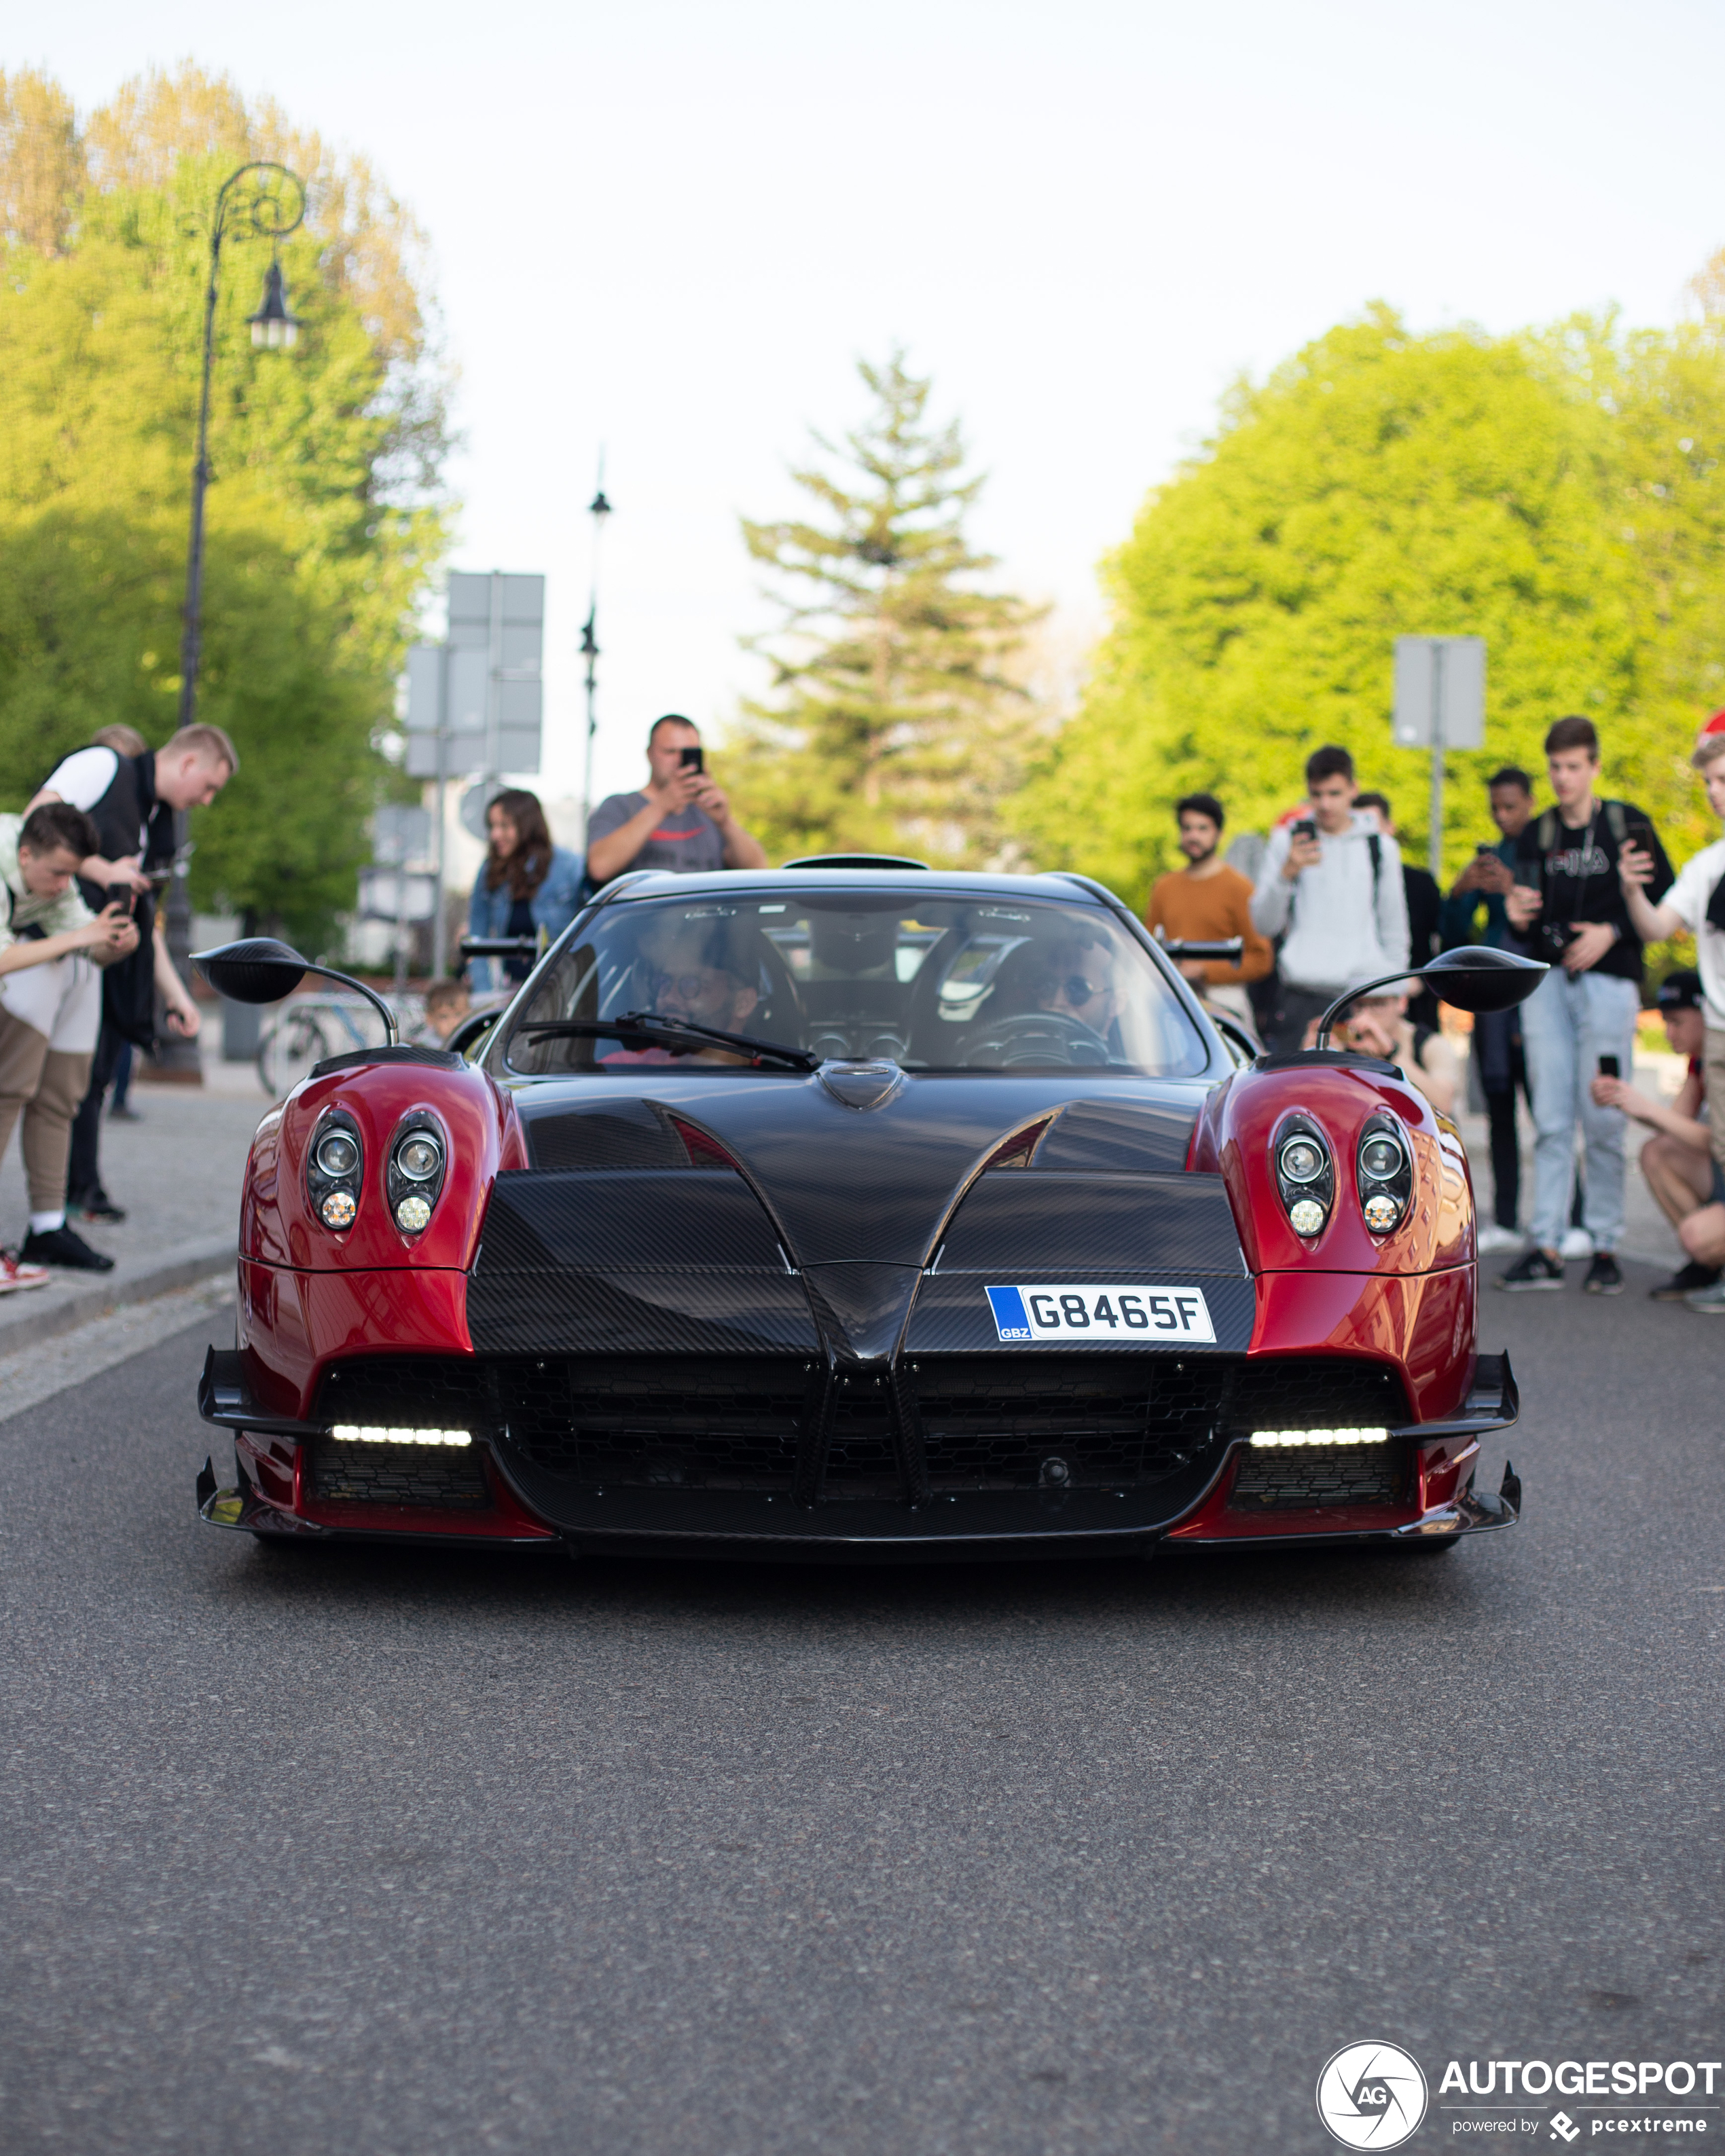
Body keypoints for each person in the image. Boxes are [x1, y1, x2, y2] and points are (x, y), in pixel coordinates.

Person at [28, 723, 236, 1225]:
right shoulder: (104, 765)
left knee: (73, 1091)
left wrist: (176, 996)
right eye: (209, 786)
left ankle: (56, 1216)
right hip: (44, 951)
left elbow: (145, 921)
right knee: (18, 1088)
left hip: (93, 965)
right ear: (188, 763)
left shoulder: (153, 820)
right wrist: (103, 871)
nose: (207, 801)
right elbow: (34, 823)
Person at [1497, 715, 1673, 1296]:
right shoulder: (1539, 833)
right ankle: (1545, 1244)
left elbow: (1664, 909)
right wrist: (1519, 915)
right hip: (1548, 986)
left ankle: (1604, 1245)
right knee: (1549, 1117)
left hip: (1610, 986)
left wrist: (1611, 931)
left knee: (1602, 1115)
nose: (1563, 777)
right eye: (1555, 767)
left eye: (1574, 766)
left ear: (1595, 766)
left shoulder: (1628, 824)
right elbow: (1522, 915)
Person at [1608, 730, 1725, 1308]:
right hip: (1723, 1030)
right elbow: (1656, 927)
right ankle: (1713, 1270)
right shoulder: (1709, 865)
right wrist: (1632, 890)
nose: (1714, 792)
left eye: (1723, 780)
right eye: (1708, 782)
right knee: (1721, 1147)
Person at [0, 803, 141, 1275]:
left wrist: (118, 939)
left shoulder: (51, 878)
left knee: (59, 1093)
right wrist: (80, 937)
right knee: (7, 1088)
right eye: (59, 872)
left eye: (72, 874)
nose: (65, 885)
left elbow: (87, 943)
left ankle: (47, 1226)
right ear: (24, 854)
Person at [1249, 746, 1410, 1054]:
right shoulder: (1288, 840)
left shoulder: (1380, 847)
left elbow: (1394, 929)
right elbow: (1263, 924)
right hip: (1299, 996)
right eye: (1317, 794)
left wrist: (1391, 999)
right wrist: (1287, 872)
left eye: (1334, 793)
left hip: (1361, 1000)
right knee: (1293, 1095)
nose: (1325, 804)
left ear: (1353, 790)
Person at [1439, 767, 1537, 1251]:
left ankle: (1569, 1219)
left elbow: (1546, 917)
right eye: (1495, 807)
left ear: (1531, 802)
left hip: (1536, 1000)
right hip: (1495, 1007)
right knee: (1500, 1112)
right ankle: (1509, 1216)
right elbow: (1455, 938)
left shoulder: (1544, 849)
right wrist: (1461, 890)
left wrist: (1512, 888)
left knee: (1551, 1114)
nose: (1502, 815)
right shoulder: (1490, 860)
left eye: (1511, 806)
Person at [1588, 971, 1725, 1302]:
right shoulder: (1701, 1060)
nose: (1668, 1033)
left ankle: (1712, 1259)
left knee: (1696, 1236)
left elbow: (1718, 1142)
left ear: (1706, 1013)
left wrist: (1646, 1108)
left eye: (1677, 1021)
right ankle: (1708, 1269)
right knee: (1656, 1153)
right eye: (1665, 1022)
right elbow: (1676, 1124)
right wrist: (1625, 1100)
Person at [585, 715, 766, 886]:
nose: (679, 761)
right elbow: (600, 868)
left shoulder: (708, 812)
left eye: (689, 753)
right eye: (670, 752)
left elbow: (760, 874)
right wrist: (661, 806)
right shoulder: (620, 806)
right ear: (650, 754)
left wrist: (725, 822)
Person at [1145, 793, 1272, 1029]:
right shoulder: (1164, 887)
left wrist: (1204, 970)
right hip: (1171, 995)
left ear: (1218, 834)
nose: (1194, 836)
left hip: (1223, 998)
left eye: (1202, 828)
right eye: (1187, 828)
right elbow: (1147, 948)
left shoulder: (1239, 888)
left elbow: (1261, 959)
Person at [466, 789, 587, 993]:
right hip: (512, 993)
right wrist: (483, 993)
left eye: (504, 826)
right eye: (492, 826)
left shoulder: (569, 867)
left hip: (562, 990)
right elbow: (477, 938)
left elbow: (589, 933)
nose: (495, 835)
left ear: (527, 826)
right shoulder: (490, 870)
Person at [1353, 792, 1442, 1037]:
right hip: (1356, 1006)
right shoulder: (1342, 885)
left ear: (1390, 828)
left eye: (1373, 827)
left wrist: (1420, 982)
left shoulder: (1421, 884)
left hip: (1415, 1008)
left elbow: (1444, 941)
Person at [1311, 994, 1459, 1117]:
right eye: (1359, 1006)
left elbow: (1443, 1105)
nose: (1365, 1015)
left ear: (1402, 1003)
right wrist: (1317, 1054)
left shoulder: (1430, 1044)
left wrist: (1390, 1053)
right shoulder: (1344, 1044)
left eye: (1378, 1005)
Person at [421, 978, 471, 1043]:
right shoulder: (428, 1046)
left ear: (470, 1013)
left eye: (458, 1014)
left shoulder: (475, 1042)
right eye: (444, 1017)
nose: (452, 1023)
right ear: (430, 1018)